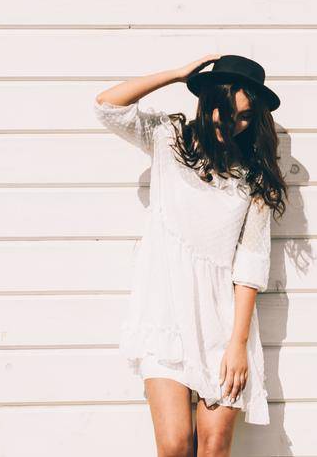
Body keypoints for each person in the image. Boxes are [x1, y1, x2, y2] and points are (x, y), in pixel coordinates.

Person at [94, 53, 288, 454]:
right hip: (166, 315)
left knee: (214, 446)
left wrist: (238, 344)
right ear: (208, 102)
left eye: (245, 117)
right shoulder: (169, 139)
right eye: (225, 112)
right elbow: (108, 106)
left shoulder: (253, 178)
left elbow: (250, 266)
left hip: (223, 327)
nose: (232, 125)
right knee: (175, 444)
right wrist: (178, 75)